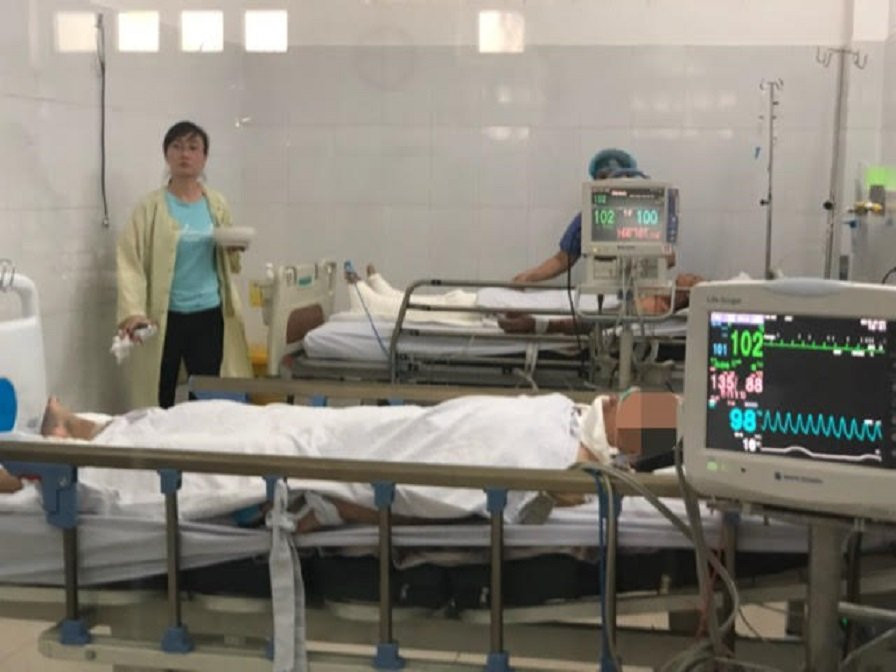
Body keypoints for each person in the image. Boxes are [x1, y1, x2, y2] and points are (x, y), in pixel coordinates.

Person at [1, 391, 677, 529]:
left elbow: (555, 484)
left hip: (375, 448)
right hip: (385, 430)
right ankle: (90, 433)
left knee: (250, 448)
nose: (636, 402)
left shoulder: (572, 458)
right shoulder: (566, 416)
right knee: (256, 424)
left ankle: (60, 459)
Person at [116, 121, 252, 409]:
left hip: (208, 314)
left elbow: (231, 262)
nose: (185, 154)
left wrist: (233, 249)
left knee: (206, 395)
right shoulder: (150, 208)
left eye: (193, 147)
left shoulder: (216, 203)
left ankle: (200, 438)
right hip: (165, 317)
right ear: (166, 154)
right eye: (177, 147)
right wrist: (133, 312)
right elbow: (130, 261)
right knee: (158, 393)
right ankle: (158, 439)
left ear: (204, 157)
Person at [513, 148, 644, 284]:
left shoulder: (647, 213)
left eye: (616, 177)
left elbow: (662, 255)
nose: (609, 182)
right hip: (602, 289)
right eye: (603, 177)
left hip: (643, 290)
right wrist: (527, 277)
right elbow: (562, 260)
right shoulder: (586, 218)